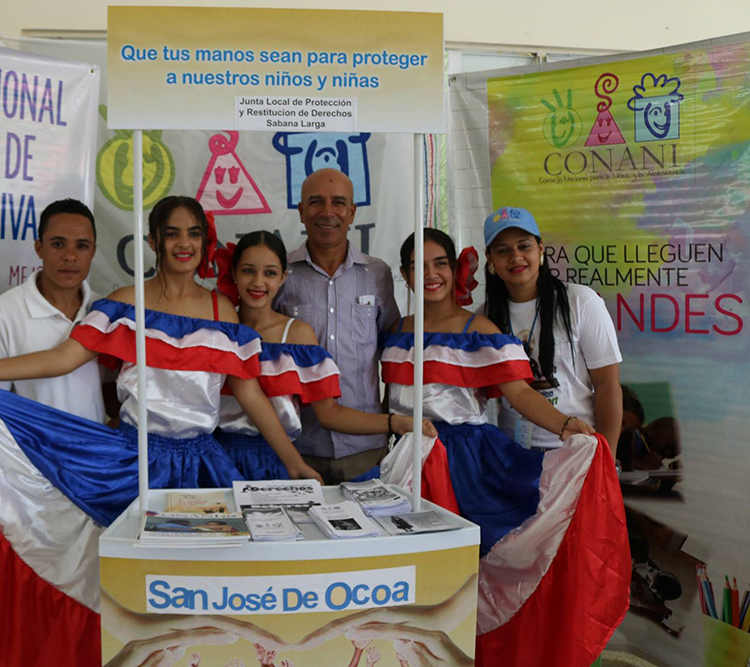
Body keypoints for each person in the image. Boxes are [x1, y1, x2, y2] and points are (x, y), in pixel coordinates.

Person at [0, 196, 321, 523]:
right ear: (154, 240)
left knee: (203, 568)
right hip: (135, 458)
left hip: (204, 462)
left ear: (205, 242)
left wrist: (293, 462)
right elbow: (64, 357)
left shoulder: (221, 310)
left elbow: (248, 392)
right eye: (172, 233)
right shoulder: (125, 301)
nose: (183, 243)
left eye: (193, 233)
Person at [381, 229, 628, 667]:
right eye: (420, 265)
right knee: (407, 575)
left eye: (440, 263)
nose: (432, 274)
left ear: (456, 270)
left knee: (474, 570)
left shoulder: (480, 328)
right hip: (405, 463)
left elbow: (519, 392)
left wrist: (570, 426)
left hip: (467, 465)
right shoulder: (396, 331)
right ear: (405, 275)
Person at [215, 231, 428, 480]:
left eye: (270, 273)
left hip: (279, 461)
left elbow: (329, 413)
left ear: (284, 277)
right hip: (219, 456)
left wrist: (395, 422)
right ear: (233, 273)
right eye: (248, 271)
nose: (258, 282)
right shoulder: (217, 326)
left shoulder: (297, 335)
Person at [273, 168, 400, 484]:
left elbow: (393, 352)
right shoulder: (280, 274)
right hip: (298, 448)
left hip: (366, 450)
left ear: (352, 212)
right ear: (301, 212)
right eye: (316, 202)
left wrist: (389, 418)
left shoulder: (377, 274)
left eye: (338, 202)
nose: (327, 212)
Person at [482, 206, 623, 454]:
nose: (515, 257)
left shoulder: (580, 301)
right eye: (503, 251)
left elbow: (607, 385)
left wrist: (607, 456)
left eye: (524, 246)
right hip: (513, 454)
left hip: (577, 449)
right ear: (490, 259)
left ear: (541, 249)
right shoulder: (484, 317)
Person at [0, 198, 105, 420]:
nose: (70, 256)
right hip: (29, 451)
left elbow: (116, 388)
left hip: (95, 451)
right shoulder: (3, 312)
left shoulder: (102, 311)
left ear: (93, 251)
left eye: (82, 246)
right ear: (39, 248)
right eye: (58, 244)